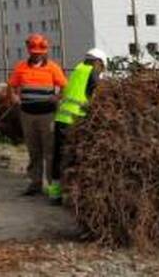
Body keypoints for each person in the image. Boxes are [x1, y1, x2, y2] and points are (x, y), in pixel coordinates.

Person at [46, 48, 107, 205]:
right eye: (102, 67)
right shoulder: (92, 72)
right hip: (76, 121)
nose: (101, 71)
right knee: (76, 157)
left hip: (62, 118)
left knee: (59, 156)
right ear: (98, 62)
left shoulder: (77, 70)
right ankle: (77, 195)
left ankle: (55, 194)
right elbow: (97, 99)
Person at [8, 33, 66, 196]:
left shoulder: (53, 68)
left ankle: (51, 185)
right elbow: (12, 86)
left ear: (44, 52)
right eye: (33, 52)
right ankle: (35, 183)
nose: (36, 55)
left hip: (47, 115)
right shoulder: (21, 67)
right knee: (34, 151)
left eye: (39, 52)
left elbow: (64, 86)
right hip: (27, 115)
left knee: (49, 151)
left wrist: (58, 96)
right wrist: (14, 96)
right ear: (29, 51)